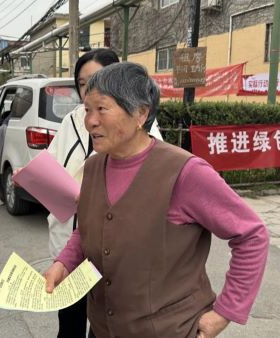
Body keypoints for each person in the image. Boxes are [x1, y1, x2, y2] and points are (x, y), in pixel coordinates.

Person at [43, 62, 269, 338]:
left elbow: (251, 235)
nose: (90, 120)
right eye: (87, 109)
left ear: (140, 113)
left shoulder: (185, 172)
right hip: (103, 329)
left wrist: (224, 313)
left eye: (101, 108)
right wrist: (64, 263)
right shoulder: (93, 167)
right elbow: (88, 228)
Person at [43, 49, 161, 338]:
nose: (91, 119)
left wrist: (222, 313)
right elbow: (50, 168)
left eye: (95, 81)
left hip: (116, 264)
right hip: (74, 244)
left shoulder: (162, 154)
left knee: (108, 324)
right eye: (82, 84)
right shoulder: (74, 123)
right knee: (71, 325)